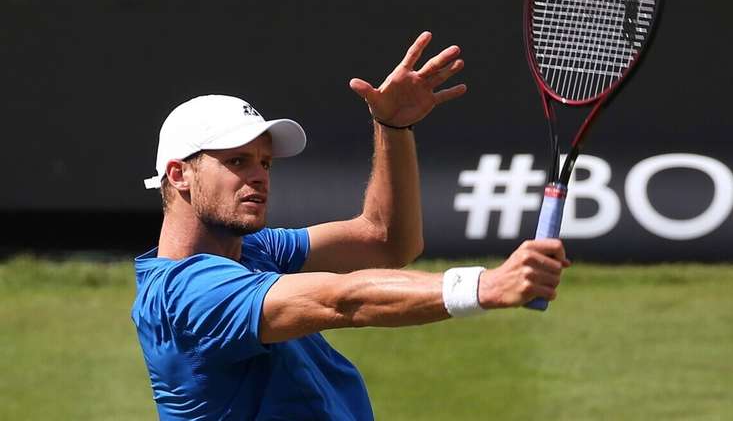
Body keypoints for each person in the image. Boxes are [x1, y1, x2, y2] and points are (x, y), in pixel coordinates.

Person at [132, 32, 570, 420]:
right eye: (236, 161)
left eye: (264, 162)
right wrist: (485, 286)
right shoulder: (185, 297)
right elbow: (343, 299)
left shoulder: (252, 250)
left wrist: (393, 128)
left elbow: (385, 241)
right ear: (178, 175)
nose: (260, 175)